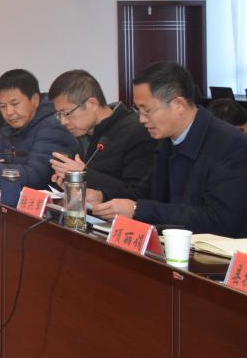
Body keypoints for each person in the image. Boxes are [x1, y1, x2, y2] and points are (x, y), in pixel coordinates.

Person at [94, 62, 247, 236]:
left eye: (147, 110)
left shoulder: (232, 145)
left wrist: (138, 210)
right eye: (139, 111)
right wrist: (101, 196)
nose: (141, 119)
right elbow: (146, 193)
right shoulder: (168, 140)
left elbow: (218, 220)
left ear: (178, 105)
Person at [0, 69, 76, 204]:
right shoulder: (10, 126)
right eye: (2, 106)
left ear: (35, 100)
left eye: (15, 104)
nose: (9, 112)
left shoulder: (53, 126)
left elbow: (35, 176)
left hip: (45, 208)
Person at [47, 69, 155, 200]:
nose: (63, 122)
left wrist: (84, 174)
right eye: (59, 115)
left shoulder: (138, 131)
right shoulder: (80, 134)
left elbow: (138, 194)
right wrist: (71, 184)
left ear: (92, 104)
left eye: (67, 113)